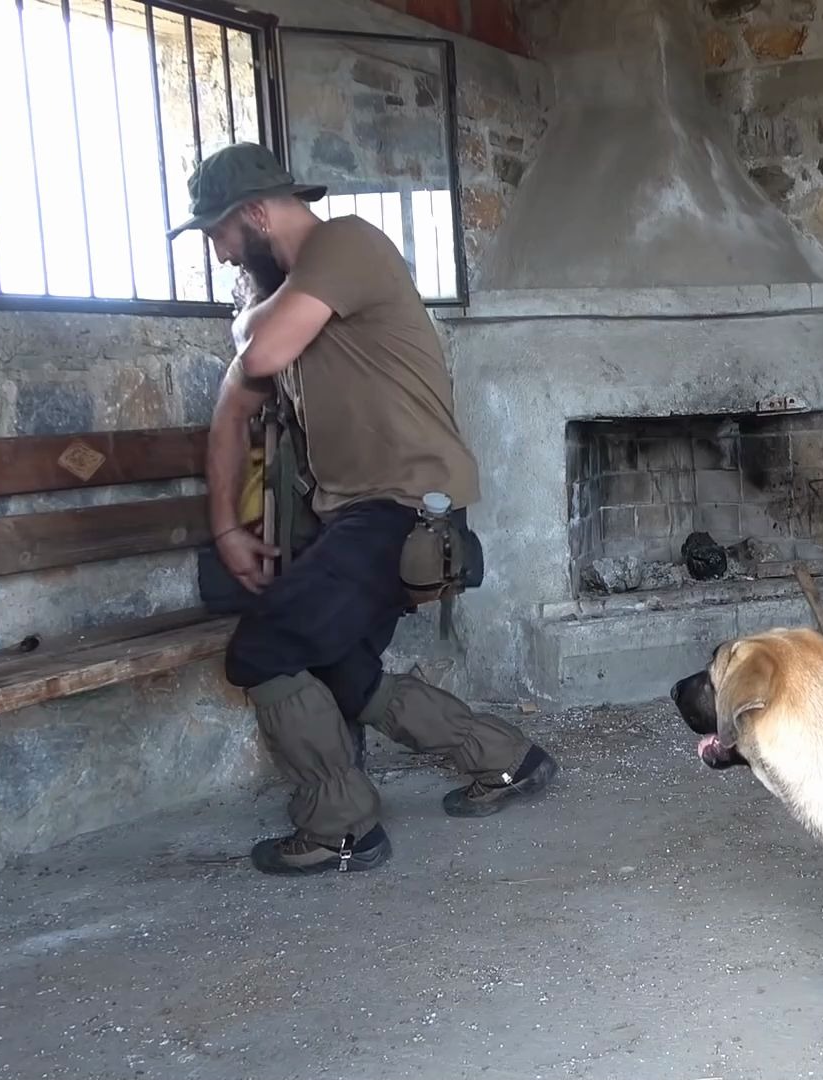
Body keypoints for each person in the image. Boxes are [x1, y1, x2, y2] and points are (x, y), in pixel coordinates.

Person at [168, 142, 557, 876]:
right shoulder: (284, 300)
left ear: (254, 214)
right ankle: (506, 759)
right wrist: (226, 528)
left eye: (219, 234)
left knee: (264, 650)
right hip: (362, 518)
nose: (220, 255)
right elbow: (230, 413)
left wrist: (245, 325)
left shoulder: (342, 242)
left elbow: (257, 353)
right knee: (342, 667)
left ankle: (338, 827)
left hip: (404, 511)